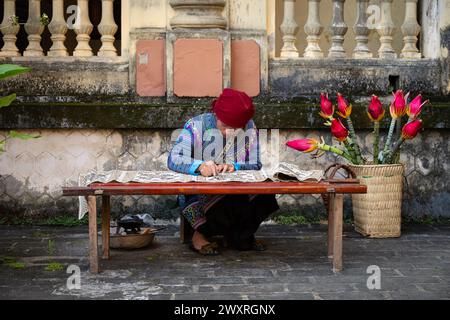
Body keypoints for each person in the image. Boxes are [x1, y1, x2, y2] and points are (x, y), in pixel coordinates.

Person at [167, 88, 279, 255]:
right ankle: (199, 235)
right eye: (224, 125)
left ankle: (241, 235)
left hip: (236, 189)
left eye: (235, 128)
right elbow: (174, 158)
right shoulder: (197, 126)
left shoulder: (250, 127)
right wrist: (199, 166)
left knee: (265, 193)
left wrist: (236, 166)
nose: (228, 132)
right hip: (200, 193)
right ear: (216, 114)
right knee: (217, 197)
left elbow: (255, 163)